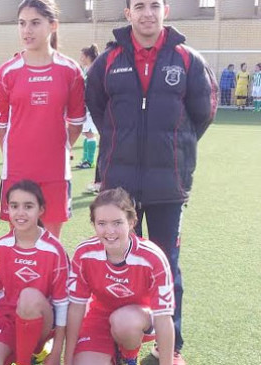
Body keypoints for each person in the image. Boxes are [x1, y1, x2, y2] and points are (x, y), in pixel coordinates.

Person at [85, 1, 217, 362]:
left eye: (154, 5)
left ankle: (169, 348)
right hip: (120, 186)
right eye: (139, 6)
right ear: (128, 13)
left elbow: (202, 114)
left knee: (166, 266)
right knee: (118, 260)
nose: (147, 13)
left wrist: (172, 150)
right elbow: (97, 108)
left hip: (167, 186)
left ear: (166, 10)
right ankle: (120, 334)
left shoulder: (187, 59)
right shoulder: (108, 61)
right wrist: (120, 143)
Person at [0, 0, 85, 239]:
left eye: (35, 23)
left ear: (53, 25)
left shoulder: (70, 70)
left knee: (51, 239)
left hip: (55, 171)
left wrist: (59, 148)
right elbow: (1, 127)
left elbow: (76, 123)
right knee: (18, 238)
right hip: (17, 171)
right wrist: (17, 155)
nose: (27, 30)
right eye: (22, 23)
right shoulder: (7, 72)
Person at [65, 188, 175, 365]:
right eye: (102, 223)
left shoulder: (152, 258)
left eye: (117, 222)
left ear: (131, 222)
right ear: (94, 224)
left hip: (137, 320)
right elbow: (76, 307)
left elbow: (163, 318)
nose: (110, 231)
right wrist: (68, 359)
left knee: (124, 321)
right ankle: (111, 354)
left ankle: (128, 357)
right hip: (99, 316)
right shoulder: (84, 253)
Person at [0, 180, 68, 365]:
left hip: (41, 320)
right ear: (7, 209)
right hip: (7, 320)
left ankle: (29, 356)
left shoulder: (54, 250)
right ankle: (13, 350)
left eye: (28, 206)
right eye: (14, 206)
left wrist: (57, 352)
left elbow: (63, 304)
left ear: (41, 209)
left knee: (28, 297)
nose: (21, 212)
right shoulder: (1, 246)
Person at [76, 44, 99, 170]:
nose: (80, 58)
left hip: (91, 107)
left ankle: (90, 161)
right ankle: (84, 159)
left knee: (90, 133)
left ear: (87, 57)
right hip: (85, 106)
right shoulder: (86, 70)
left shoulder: (94, 69)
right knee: (85, 132)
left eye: (82, 55)